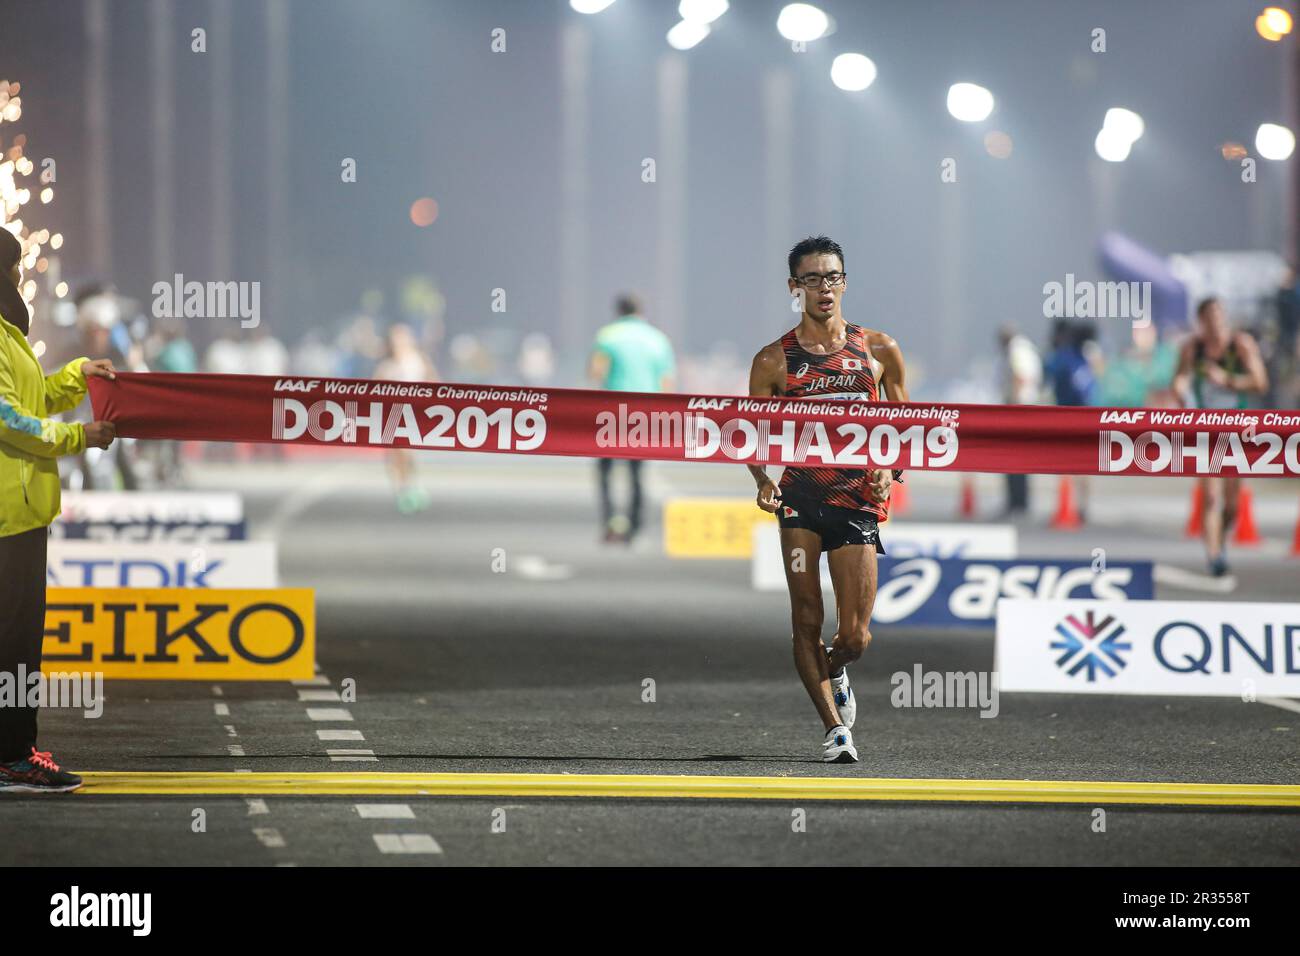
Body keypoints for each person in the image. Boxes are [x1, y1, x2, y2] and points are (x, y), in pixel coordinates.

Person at [745, 236, 908, 763]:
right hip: (800, 500)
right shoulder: (774, 360)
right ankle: (835, 730)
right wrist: (762, 481)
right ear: (794, 288)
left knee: (856, 635)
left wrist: (891, 468)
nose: (824, 288)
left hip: (856, 499)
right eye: (812, 279)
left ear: (845, 282)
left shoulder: (878, 350)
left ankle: (837, 669)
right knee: (806, 620)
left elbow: (908, 427)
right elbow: (746, 434)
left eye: (832, 277)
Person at [0, 228, 117, 792]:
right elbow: (8, 420)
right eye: (14, 265)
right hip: (6, 518)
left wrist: (77, 376)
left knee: (16, 642)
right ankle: (12, 756)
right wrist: (80, 437)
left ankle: (12, 750)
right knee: (13, 644)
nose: (20, 275)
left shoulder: (8, 333)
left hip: (21, 512)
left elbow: (31, 400)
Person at [1171, 297, 1269, 577]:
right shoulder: (1193, 348)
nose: (1215, 322)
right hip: (1206, 430)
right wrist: (1180, 392)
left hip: (1237, 429)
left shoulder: (1240, 345)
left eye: (1219, 315)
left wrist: (1226, 379)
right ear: (1201, 321)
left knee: (1232, 504)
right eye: (1209, 317)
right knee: (1211, 496)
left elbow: (1260, 382)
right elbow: (1179, 378)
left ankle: (1221, 536)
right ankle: (1214, 556)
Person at [587, 294, 675, 544]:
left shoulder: (608, 335)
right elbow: (666, 382)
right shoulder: (658, 339)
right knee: (637, 472)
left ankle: (610, 521)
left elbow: (596, 372)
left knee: (605, 470)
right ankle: (635, 526)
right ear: (641, 311)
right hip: (645, 414)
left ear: (618, 312)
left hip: (610, 413)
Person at [375, 323, 438, 513]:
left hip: (414, 413)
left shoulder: (418, 360)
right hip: (392, 413)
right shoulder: (386, 365)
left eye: (401, 338)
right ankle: (402, 490)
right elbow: (373, 387)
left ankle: (413, 486)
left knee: (408, 451)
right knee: (395, 454)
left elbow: (434, 381)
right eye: (394, 339)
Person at [997, 324, 1042, 515]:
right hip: (1026, 408)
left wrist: (1011, 407)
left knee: (1013, 457)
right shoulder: (1027, 348)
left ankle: (1017, 501)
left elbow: (1019, 377)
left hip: (1018, 409)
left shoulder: (1016, 350)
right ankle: (1019, 500)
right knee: (1020, 458)